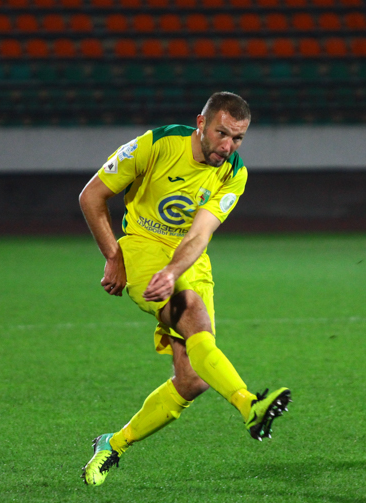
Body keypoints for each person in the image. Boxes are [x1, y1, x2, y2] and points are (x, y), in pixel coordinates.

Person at [78, 92, 291, 486]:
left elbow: (200, 235)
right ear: (201, 123)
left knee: (194, 379)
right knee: (191, 312)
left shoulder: (234, 173)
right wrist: (113, 255)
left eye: (238, 138)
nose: (228, 146)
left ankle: (113, 443)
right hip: (142, 247)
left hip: (189, 258)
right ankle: (249, 405)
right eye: (222, 134)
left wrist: (175, 270)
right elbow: (91, 196)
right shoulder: (157, 144)